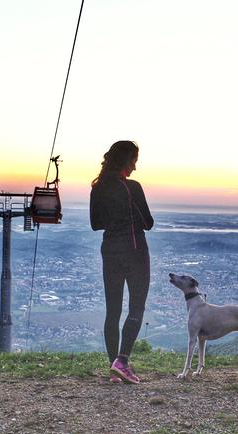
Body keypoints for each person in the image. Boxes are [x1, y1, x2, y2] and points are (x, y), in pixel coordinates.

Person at [90, 140, 153, 384]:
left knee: (112, 310)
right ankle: (123, 360)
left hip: (109, 251)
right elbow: (148, 222)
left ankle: (113, 366)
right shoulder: (133, 187)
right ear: (126, 161)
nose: (135, 168)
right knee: (136, 307)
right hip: (135, 250)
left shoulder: (97, 188)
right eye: (134, 161)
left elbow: (96, 224)